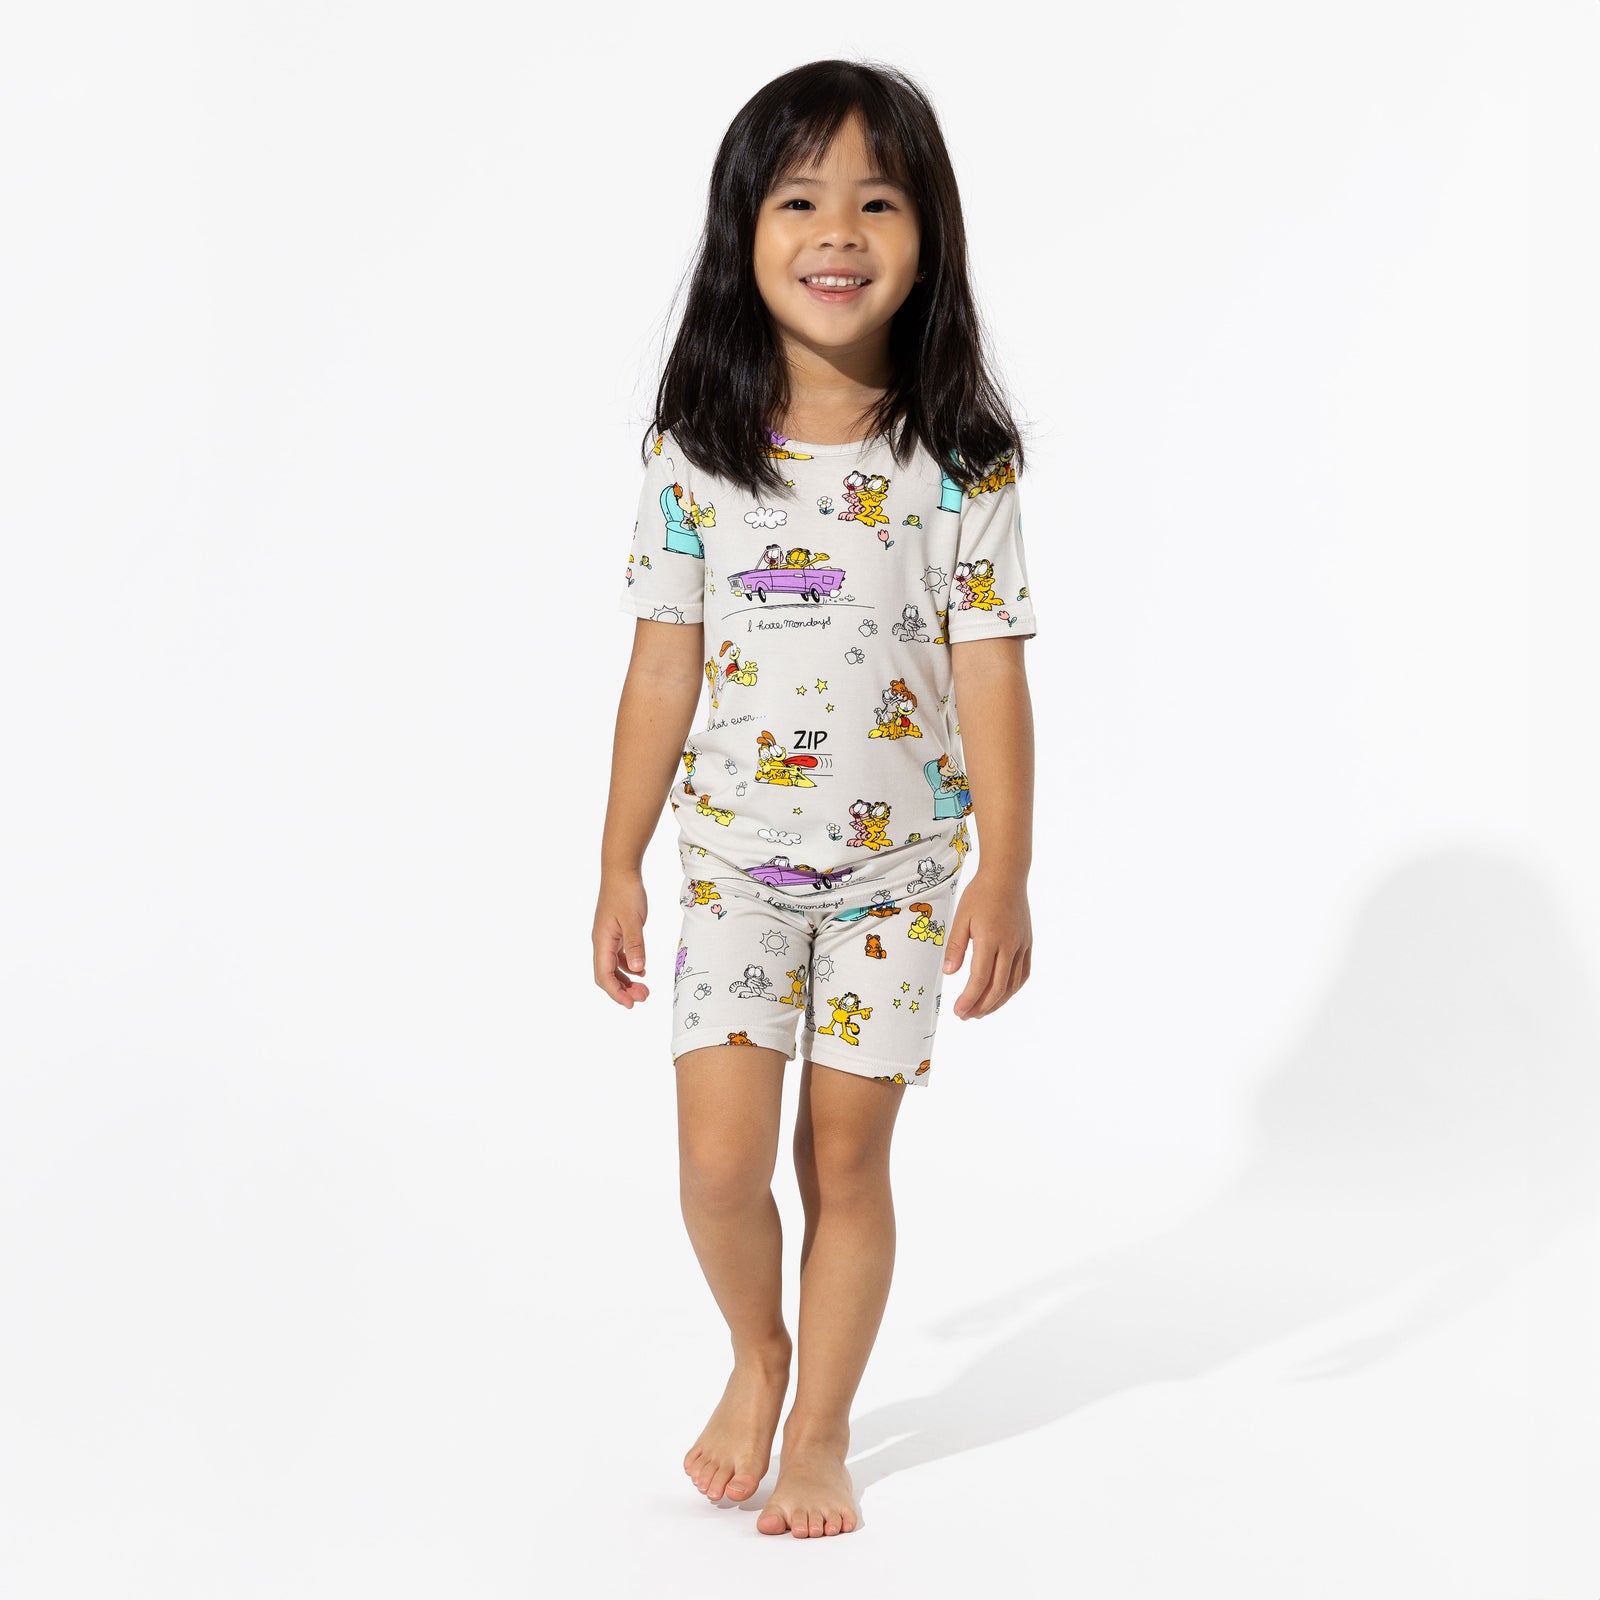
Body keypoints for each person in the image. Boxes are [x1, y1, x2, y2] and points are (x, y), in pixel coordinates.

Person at [592, 58, 1038, 1539]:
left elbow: (991, 677)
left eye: (877, 201)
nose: (838, 230)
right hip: (732, 867)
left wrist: (1003, 872)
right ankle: (758, 1351)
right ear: (745, 230)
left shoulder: (960, 459)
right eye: (799, 200)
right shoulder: (695, 458)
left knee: (845, 1157)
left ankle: (825, 1430)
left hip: (898, 880)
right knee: (720, 1166)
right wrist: (620, 865)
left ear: (927, 235)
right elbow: (661, 669)